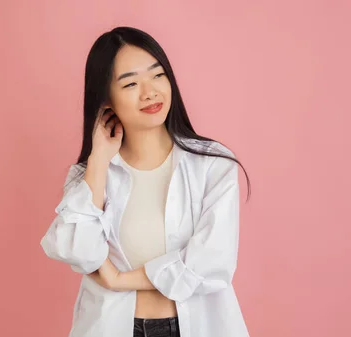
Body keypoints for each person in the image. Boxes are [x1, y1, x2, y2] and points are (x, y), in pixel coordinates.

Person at [40, 26, 251, 337]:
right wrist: (98, 160)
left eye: (157, 75)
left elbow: (211, 262)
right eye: (130, 83)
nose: (149, 92)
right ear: (105, 98)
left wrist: (119, 280)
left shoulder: (212, 164)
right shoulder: (89, 176)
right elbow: (80, 252)